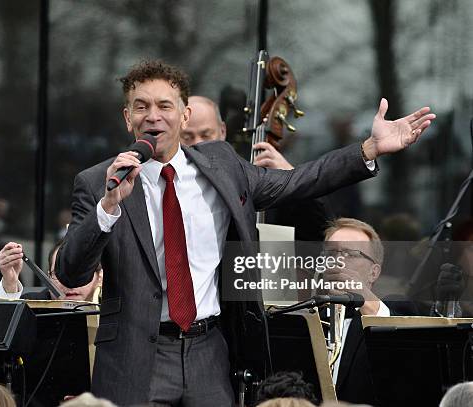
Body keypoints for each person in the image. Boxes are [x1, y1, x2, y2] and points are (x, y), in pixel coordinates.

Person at [56, 59, 435, 406]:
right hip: (134, 358)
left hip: (209, 351)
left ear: (184, 114)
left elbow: (298, 182)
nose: (153, 116)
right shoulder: (97, 182)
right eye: (141, 106)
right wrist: (109, 206)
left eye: (164, 105)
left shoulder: (222, 166)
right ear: (127, 118)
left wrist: (369, 149)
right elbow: (72, 273)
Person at [181, 95, 333, 241]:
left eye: (206, 135)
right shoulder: (167, 180)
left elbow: (318, 233)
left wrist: (291, 178)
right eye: (187, 137)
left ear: (222, 131)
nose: (198, 144)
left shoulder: (249, 177)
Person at [321, 217, 418, 404]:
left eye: (351, 253)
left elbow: (406, 367)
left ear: (374, 272)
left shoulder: (396, 309)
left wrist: (364, 299)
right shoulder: (310, 318)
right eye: (331, 253)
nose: (338, 260)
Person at [0, 239, 101, 301]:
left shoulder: (114, 308)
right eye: (60, 274)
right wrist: (10, 283)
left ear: (100, 277)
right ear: (49, 277)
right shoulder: (31, 305)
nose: (69, 284)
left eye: (79, 274)